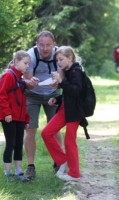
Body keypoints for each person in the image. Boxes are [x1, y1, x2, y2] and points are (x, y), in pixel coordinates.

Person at [41, 46, 86, 181]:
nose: (58, 62)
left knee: (69, 141)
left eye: (61, 59)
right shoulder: (68, 71)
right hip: (65, 109)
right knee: (46, 133)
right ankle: (63, 160)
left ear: (70, 58)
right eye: (57, 60)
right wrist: (57, 98)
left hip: (75, 112)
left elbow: (77, 92)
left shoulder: (77, 71)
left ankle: (74, 173)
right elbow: (68, 93)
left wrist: (61, 82)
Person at [23, 31, 63, 180]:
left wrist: (58, 81)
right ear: (37, 44)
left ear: (54, 44)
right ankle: (30, 166)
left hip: (53, 94)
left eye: (48, 45)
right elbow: (27, 83)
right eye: (42, 45)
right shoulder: (31, 56)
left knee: (55, 128)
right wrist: (31, 83)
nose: (45, 48)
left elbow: (63, 77)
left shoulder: (59, 54)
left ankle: (59, 162)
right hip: (33, 95)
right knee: (30, 129)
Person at [0, 50, 33, 179]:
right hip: (9, 117)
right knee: (10, 143)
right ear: (17, 62)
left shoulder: (19, 78)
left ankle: (18, 171)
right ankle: (7, 173)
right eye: (25, 63)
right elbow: (1, 95)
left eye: (28, 63)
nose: (27, 66)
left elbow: (23, 101)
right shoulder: (9, 76)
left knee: (18, 144)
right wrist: (7, 113)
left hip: (19, 117)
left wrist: (26, 119)